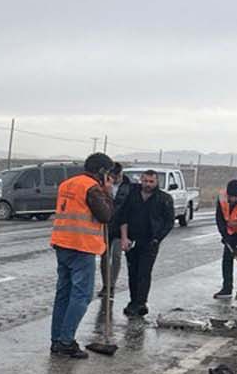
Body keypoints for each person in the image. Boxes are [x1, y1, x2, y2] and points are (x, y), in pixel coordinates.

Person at [49, 152, 118, 359]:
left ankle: (57, 340)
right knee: (81, 295)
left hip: (62, 243)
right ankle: (66, 341)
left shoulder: (67, 184)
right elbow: (106, 215)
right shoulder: (92, 188)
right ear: (102, 172)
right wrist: (107, 192)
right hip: (82, 246)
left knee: (63, 294)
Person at [118, 168, 174, 316]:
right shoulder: (132, 196)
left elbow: (169, 222)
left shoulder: (164, 199)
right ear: (141, 180)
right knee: (133, 272)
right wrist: (124, 238)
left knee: (144, 272)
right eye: (145, 181)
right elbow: (123, 217)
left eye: (151, 181)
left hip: (150, 242)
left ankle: (141, 303)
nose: (148, 184)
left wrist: (158, 238)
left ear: (156, 182)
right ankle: (133, 301)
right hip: (132, 240)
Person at [99, 164, 130, 297]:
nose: (116, 178)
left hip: (121, 227)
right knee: (104, 256)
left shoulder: (128, 187)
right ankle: (105, 284)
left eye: (118, 176)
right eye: (113, 176)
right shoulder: (104, 186)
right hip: (106, 226)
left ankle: (112, 285)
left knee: (116, 256)